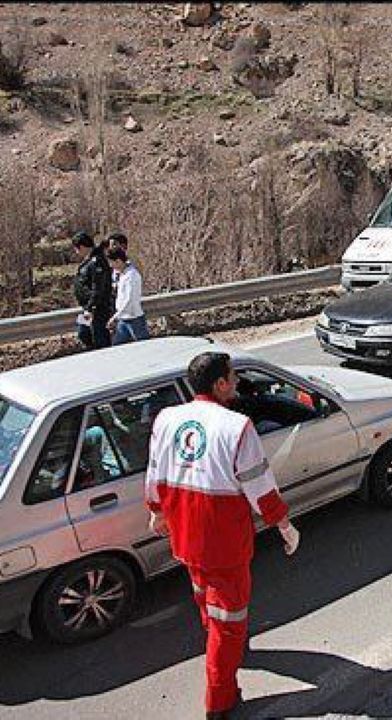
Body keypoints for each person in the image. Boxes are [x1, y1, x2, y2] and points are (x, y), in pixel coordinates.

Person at [146, 352, 300, 720]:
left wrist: (155, 512)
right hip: (224, 544)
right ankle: (220, 701)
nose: (235, 383)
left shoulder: (167, 419)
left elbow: (154, 473)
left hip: (184, 536)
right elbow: (261, 489)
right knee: (229, 624)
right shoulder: (238, 427)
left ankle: (221, 643)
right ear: (219, 384)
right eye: (232, 377)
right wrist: (285, 525)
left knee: (206, 601)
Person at [71, 231, 114, 350]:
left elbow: (98, 288)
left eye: (77, 249)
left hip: (97, 308)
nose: (76, 252)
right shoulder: (88, 261)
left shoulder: (97, 261)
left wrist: (91, 307)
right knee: (83, 333)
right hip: (87, 307)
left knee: (100, 338)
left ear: (82, 247)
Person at [106, 246, 150, 344]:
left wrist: (115, 317)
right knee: (118, 346)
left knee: (144, 346)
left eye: (111, 262)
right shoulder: (122, 274)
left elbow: (129, 300)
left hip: (135, 319)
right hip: (123, 318)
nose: (111, 265)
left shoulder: (131, 275)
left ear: (118, 261)